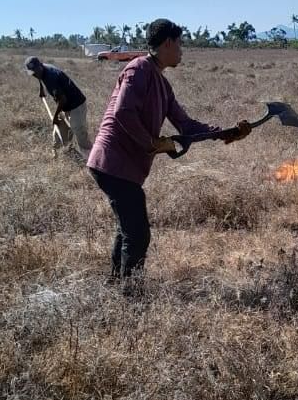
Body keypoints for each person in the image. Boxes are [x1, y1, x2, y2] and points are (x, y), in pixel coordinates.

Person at [87, 19, 251, 285]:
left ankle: (116, 283)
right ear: (167, 43)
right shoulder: (138, 68)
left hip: (121, 167)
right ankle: (131, 294)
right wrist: (151, 142)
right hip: (112, 163)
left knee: (128, 229)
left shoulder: (162, 85)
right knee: (138, 234)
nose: (182, 51)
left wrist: (226, 132)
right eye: (180, 44)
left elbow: (186, 126)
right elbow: (123, 112)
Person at [25, 56, 91, 153]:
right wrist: (41, 88)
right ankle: (59, 154)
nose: (34, 74)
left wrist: (55, 116)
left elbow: (62, 100)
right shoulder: (41, 70)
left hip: (76, 105)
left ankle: (92, 158)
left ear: (40, 66)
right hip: (64, 106)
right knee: (59, 130)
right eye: (32, 73)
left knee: (79, 133)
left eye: (35, 72)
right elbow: (39, 77)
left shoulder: (51, 77)